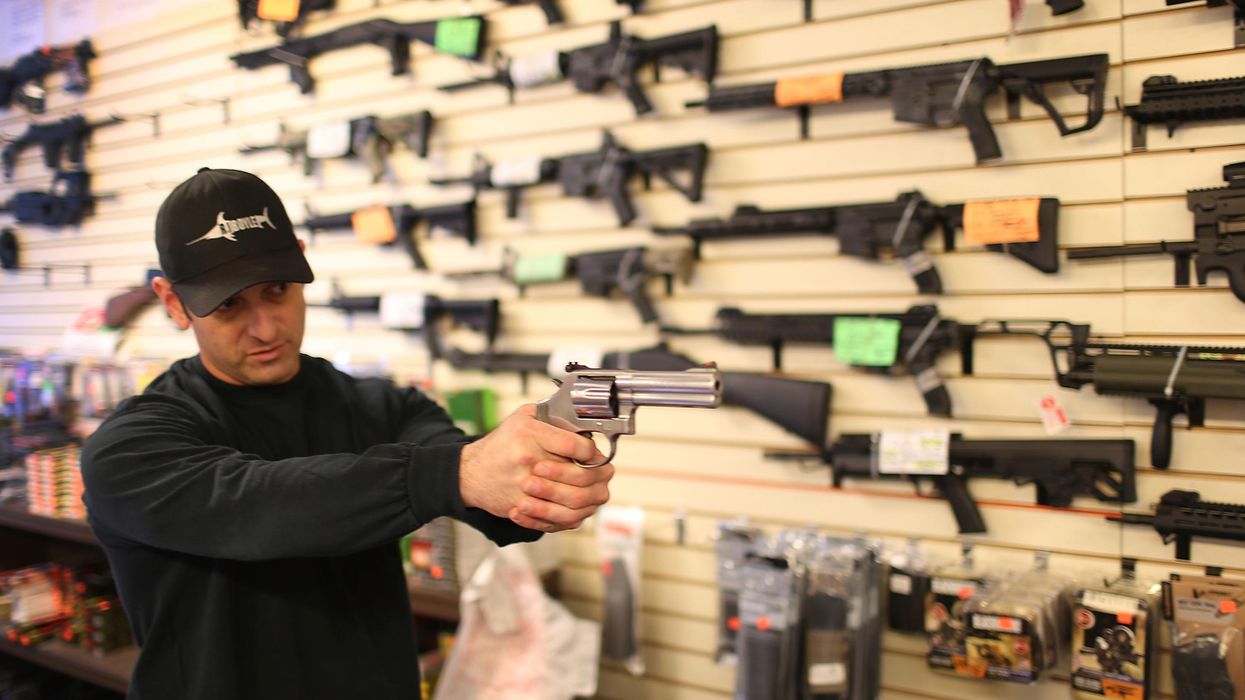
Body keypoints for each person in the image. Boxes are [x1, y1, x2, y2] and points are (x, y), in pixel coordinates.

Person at [80, 167, 615, 700]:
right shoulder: (131, 450)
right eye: (228, 305)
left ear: (302, 260)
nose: (266, 327)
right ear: (173, 302)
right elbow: (259, 506)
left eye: (277, 290)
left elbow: (483, 494)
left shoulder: (382, 407)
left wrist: (539, 481)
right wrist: (455, 473)